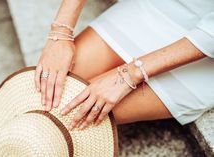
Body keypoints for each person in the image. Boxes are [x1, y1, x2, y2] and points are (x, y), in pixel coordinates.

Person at [34, 0, 214, 131]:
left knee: (62, 123)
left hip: (202, 54)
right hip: (155, 7)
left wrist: (130, 73)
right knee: (36, 99)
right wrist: (61, 32)